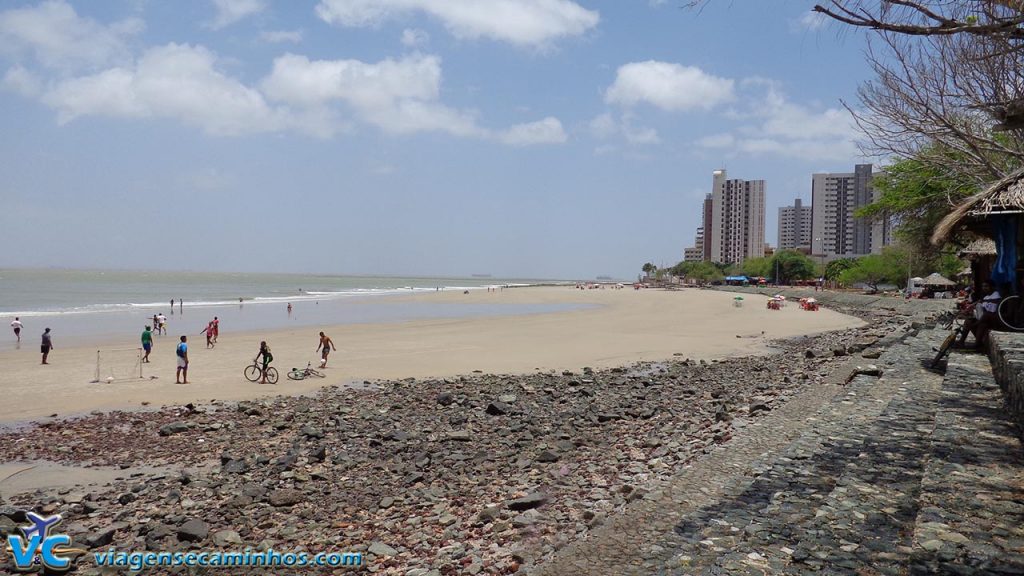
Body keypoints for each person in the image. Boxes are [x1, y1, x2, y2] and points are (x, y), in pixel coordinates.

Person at [960, 280, 1002, 350]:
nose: (984, 288)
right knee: (969, 321)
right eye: (983, 286)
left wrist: (981, 302)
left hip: (994, 319)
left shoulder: (996, 294)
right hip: (985, 319)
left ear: (991, 287)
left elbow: (996, 301)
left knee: (983, 321)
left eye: (986, 286)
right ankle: (961, 341)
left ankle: (977, 344)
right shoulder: (985, 297)